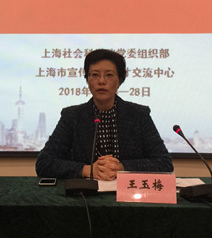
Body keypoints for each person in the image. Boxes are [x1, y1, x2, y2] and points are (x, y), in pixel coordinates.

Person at [36, 49, 173, 180]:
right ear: (87, 79)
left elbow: (164, 163)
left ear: (120, 80)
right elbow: (44, 163)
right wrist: (87, 170)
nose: (101, 81)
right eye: (95, 75)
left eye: (109, 75)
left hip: (128, 192)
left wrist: (122, 168)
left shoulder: (139, 115)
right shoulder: (72, 116)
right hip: (85, 192)